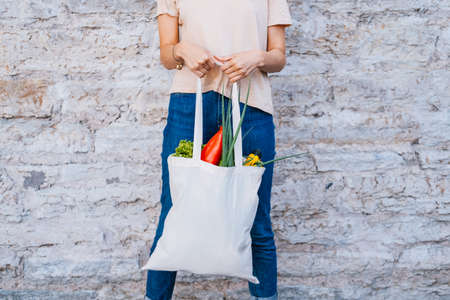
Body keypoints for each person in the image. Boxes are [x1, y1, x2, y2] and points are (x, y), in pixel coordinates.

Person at [145, 0, 292, 299]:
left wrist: (257, 57)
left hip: (251, 104)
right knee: (173, 211)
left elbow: (278, 57)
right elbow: (166, 53)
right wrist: (182, 50)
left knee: (255, 217)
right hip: (190, 102)